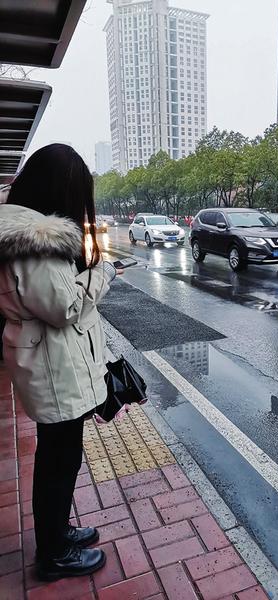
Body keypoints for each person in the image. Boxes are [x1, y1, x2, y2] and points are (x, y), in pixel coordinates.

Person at [0, 144, 117, 581]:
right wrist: (103, 273)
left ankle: (58, 533)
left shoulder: (18, 232)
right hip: (53, 369)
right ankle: (53, 554)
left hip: (48, 364)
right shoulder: (37, 242)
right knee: (57, 461)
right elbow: (62, 305)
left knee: (60, 457)